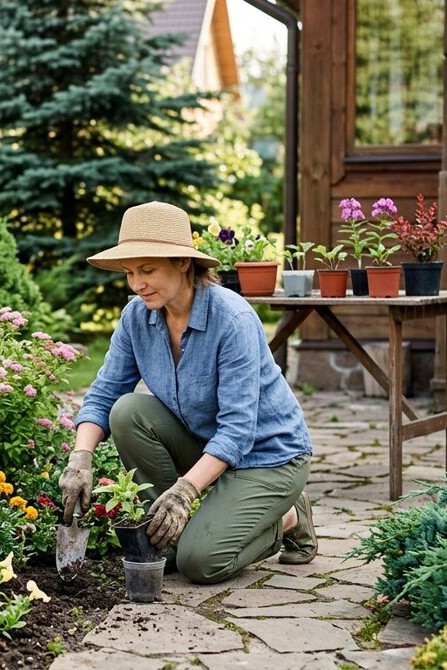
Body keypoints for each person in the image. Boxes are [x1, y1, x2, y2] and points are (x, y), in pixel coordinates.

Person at [58, 201, 316, 585]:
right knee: (127, 412)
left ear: (182, 263)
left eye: (147, 270)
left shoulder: (233, 319)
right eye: (129, 273)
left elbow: (238, 431)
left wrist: (185, 491)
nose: (136, 284)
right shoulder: (137, 317)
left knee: (199, 562)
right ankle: (177, 525)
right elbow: (105, 393)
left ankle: (289, 516)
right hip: (207, 446)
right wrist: (80, 458)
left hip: (268, 457)